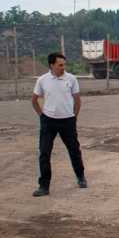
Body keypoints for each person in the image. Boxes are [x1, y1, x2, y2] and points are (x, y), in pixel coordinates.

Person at [31, 53, 86, 197]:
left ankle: (81, 177)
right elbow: (34, 100)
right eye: (60, 65)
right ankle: (44, 186)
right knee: (44, 153)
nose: (63, 67)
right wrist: (42, 116)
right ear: (51, 65)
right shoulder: (42, 80)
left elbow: (77, 100)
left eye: (64, 64)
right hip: (48, 122)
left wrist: (74, 117)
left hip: (68, 121)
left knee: (74, 150)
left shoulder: (71, 79)